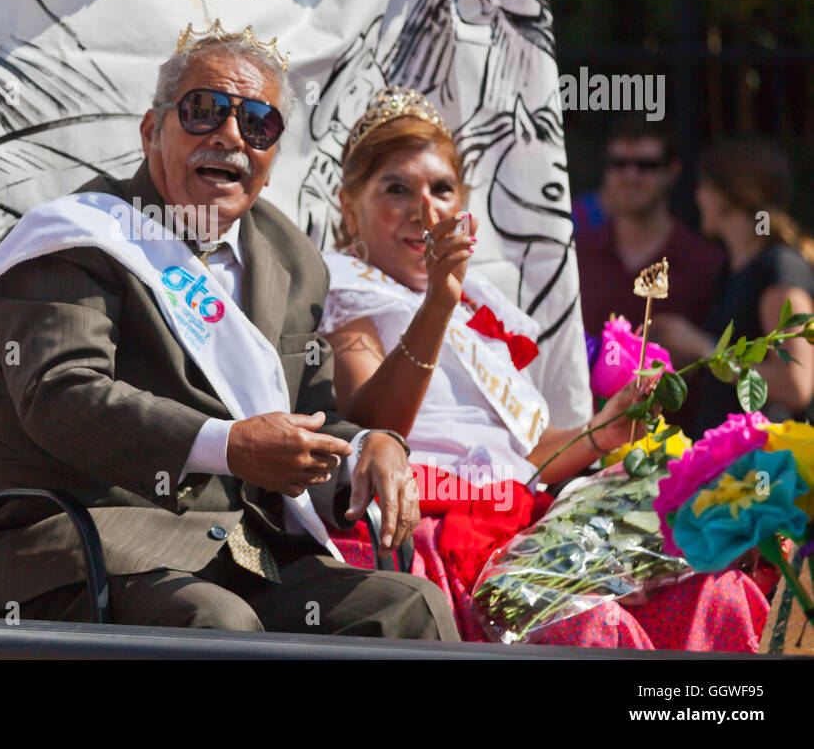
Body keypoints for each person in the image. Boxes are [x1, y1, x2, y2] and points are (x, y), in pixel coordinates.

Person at [0, 23, 458, 639]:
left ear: (271, 159)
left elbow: (311, 415)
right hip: (83, 543)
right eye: (204, 111)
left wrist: (366, 449)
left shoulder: (293, 259)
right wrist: (230, 446)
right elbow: (60, 394)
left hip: (244, 554)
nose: (230, 137)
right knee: (217, 623)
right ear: (151, 132)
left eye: (258, 124)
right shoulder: (76, 236)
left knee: (412, 606)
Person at [318, 88, 771, 649]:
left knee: (714, 592)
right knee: (588, 627)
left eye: (441, 189)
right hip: (444, 529)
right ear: (347, 205)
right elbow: (374, 421)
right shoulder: (346, 293)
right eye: (396, 189)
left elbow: (526, 453)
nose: (425, 209)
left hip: (526, 516)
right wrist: (438, 301)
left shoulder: (479, 308)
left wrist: (601, 431)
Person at [651, 138, 814, 436]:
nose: (697, 196)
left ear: (727, 195)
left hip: (764, 467)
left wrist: (703, 347)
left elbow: (796, 386)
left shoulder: (778, 267)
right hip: (732, 463)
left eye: (704, 186)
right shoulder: (731, 270)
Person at [576, 120, 726, 338]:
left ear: (672, 171)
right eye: (618, 164)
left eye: (646, 165)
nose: (630, 176)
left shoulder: (707, 262)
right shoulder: (577, 255)